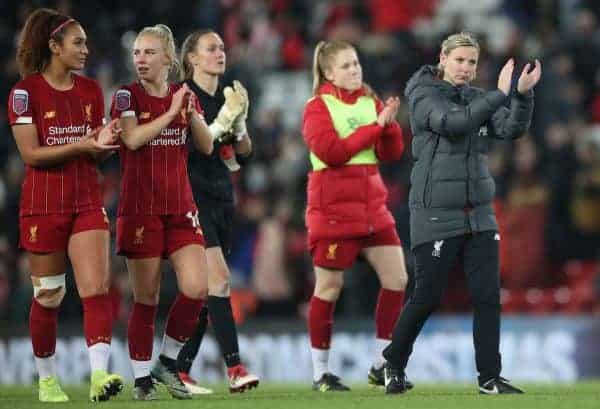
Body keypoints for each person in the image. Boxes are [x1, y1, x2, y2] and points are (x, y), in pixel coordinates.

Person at [382, 32, 541, 395]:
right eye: (460, 60)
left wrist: (522, 94)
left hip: (479, 213)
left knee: (487, 296)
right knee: (427, 296)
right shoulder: (422, 95)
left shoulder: (475, 99)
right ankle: (393, 363)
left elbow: (510, 128)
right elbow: (454, 124)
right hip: (436, 212)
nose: (467, 69)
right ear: (443, 57)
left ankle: (489, 378)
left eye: (472, 62)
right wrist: (500, 95)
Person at [7, 8, 124, 403]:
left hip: (86, 200)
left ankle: (98, 377)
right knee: (50, 296)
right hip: (43, 205)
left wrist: (108, 143)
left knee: (96, 289)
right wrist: (83, 144)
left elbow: (94, 154)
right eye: (78, 43)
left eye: (86, 42)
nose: (86, 50)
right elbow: (32, 154)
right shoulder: (25, 93)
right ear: (54, 47)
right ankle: (46, 380)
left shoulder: (91, 91)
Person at [110, 24, 213, 400]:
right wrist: (171, 114)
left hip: (180, 207)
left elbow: (205, 147)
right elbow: (133, 139)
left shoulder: (181, 96)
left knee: (197, 287)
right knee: (146, 297)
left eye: (149, 52)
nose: (140, 59)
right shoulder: (126, 96)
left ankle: (167, 362)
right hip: (141, 209)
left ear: (169, 59)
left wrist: (192, 113)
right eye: (137, 53)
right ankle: (141, 380)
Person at [302, 40, 408, 392]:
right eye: (346, 65)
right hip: (333, 211)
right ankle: (320, 373)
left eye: (356, 62)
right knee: (330, 288)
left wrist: (389, 125)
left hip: (372, 209)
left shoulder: (369, 101)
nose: (355, 70)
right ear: (329, 72)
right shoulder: (318, 107)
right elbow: (331, 153)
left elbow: (391, 153)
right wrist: (376, 126)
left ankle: (382, 364)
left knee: (397, 279)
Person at [175, 29, 259, 394]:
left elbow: (243, 153)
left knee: (207, 293)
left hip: (222, 197)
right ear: (192, 58)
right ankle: (235, 368)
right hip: (192, 198)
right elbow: (199, 148)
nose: (220, 53)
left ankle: (177, 367)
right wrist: (223, 120)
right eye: (211, 49)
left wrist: (238, 123)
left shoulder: (225, 96)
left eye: (223, 47)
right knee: (220, 281)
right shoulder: (183, 97)